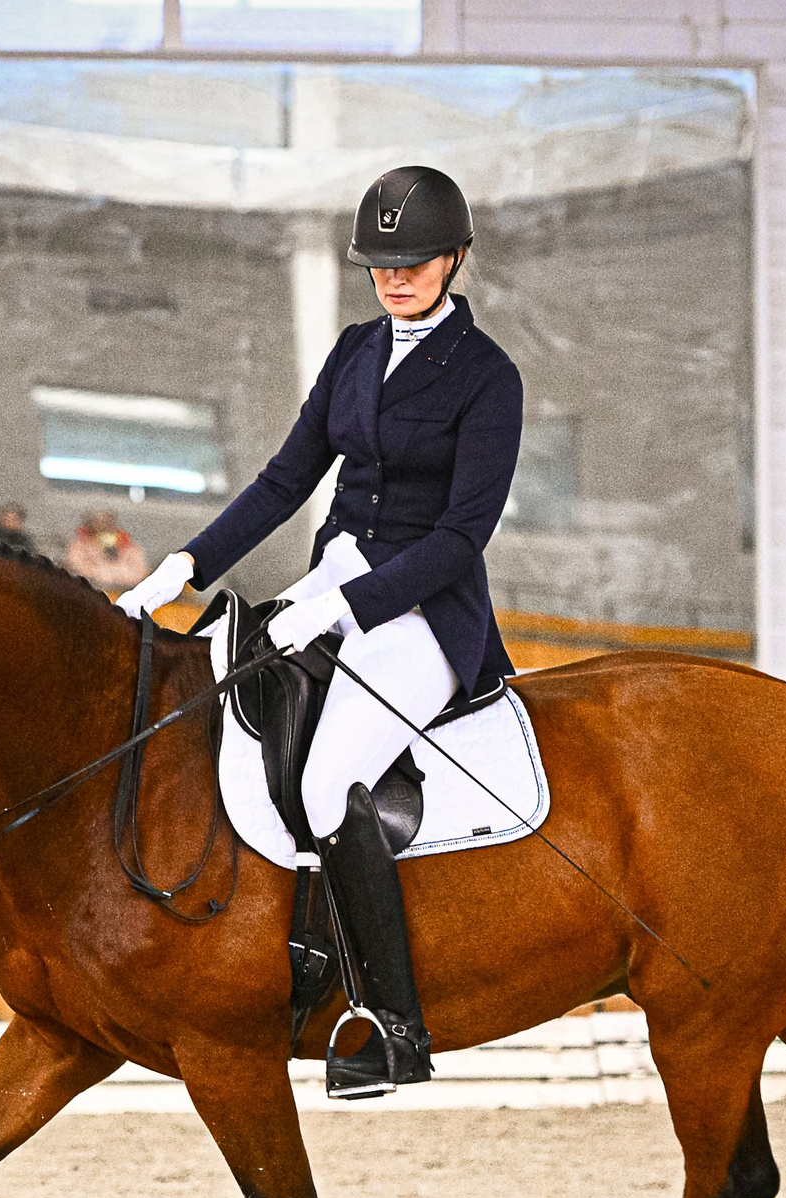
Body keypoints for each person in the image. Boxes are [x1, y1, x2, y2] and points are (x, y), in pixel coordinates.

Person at [113, 165, 522, 1097]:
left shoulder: (488, 377)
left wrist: (345, 605)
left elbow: (462, 535)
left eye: (415, 260)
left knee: (334, 774)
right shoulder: (352, 350)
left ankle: (395, 1026)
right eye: (381, 263)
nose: (396, 277)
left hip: (425, 611)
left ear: (454, 258)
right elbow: (284, 481)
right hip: (331, 579)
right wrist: (183, 568)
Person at [66, 508, 149, 592]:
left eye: (107, 520)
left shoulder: (130, 548)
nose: (103, 524)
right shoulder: (79, 546)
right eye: (98, 521)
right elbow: (79, 570)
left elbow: (138, 574)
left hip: (123, 593)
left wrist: (114, 571)